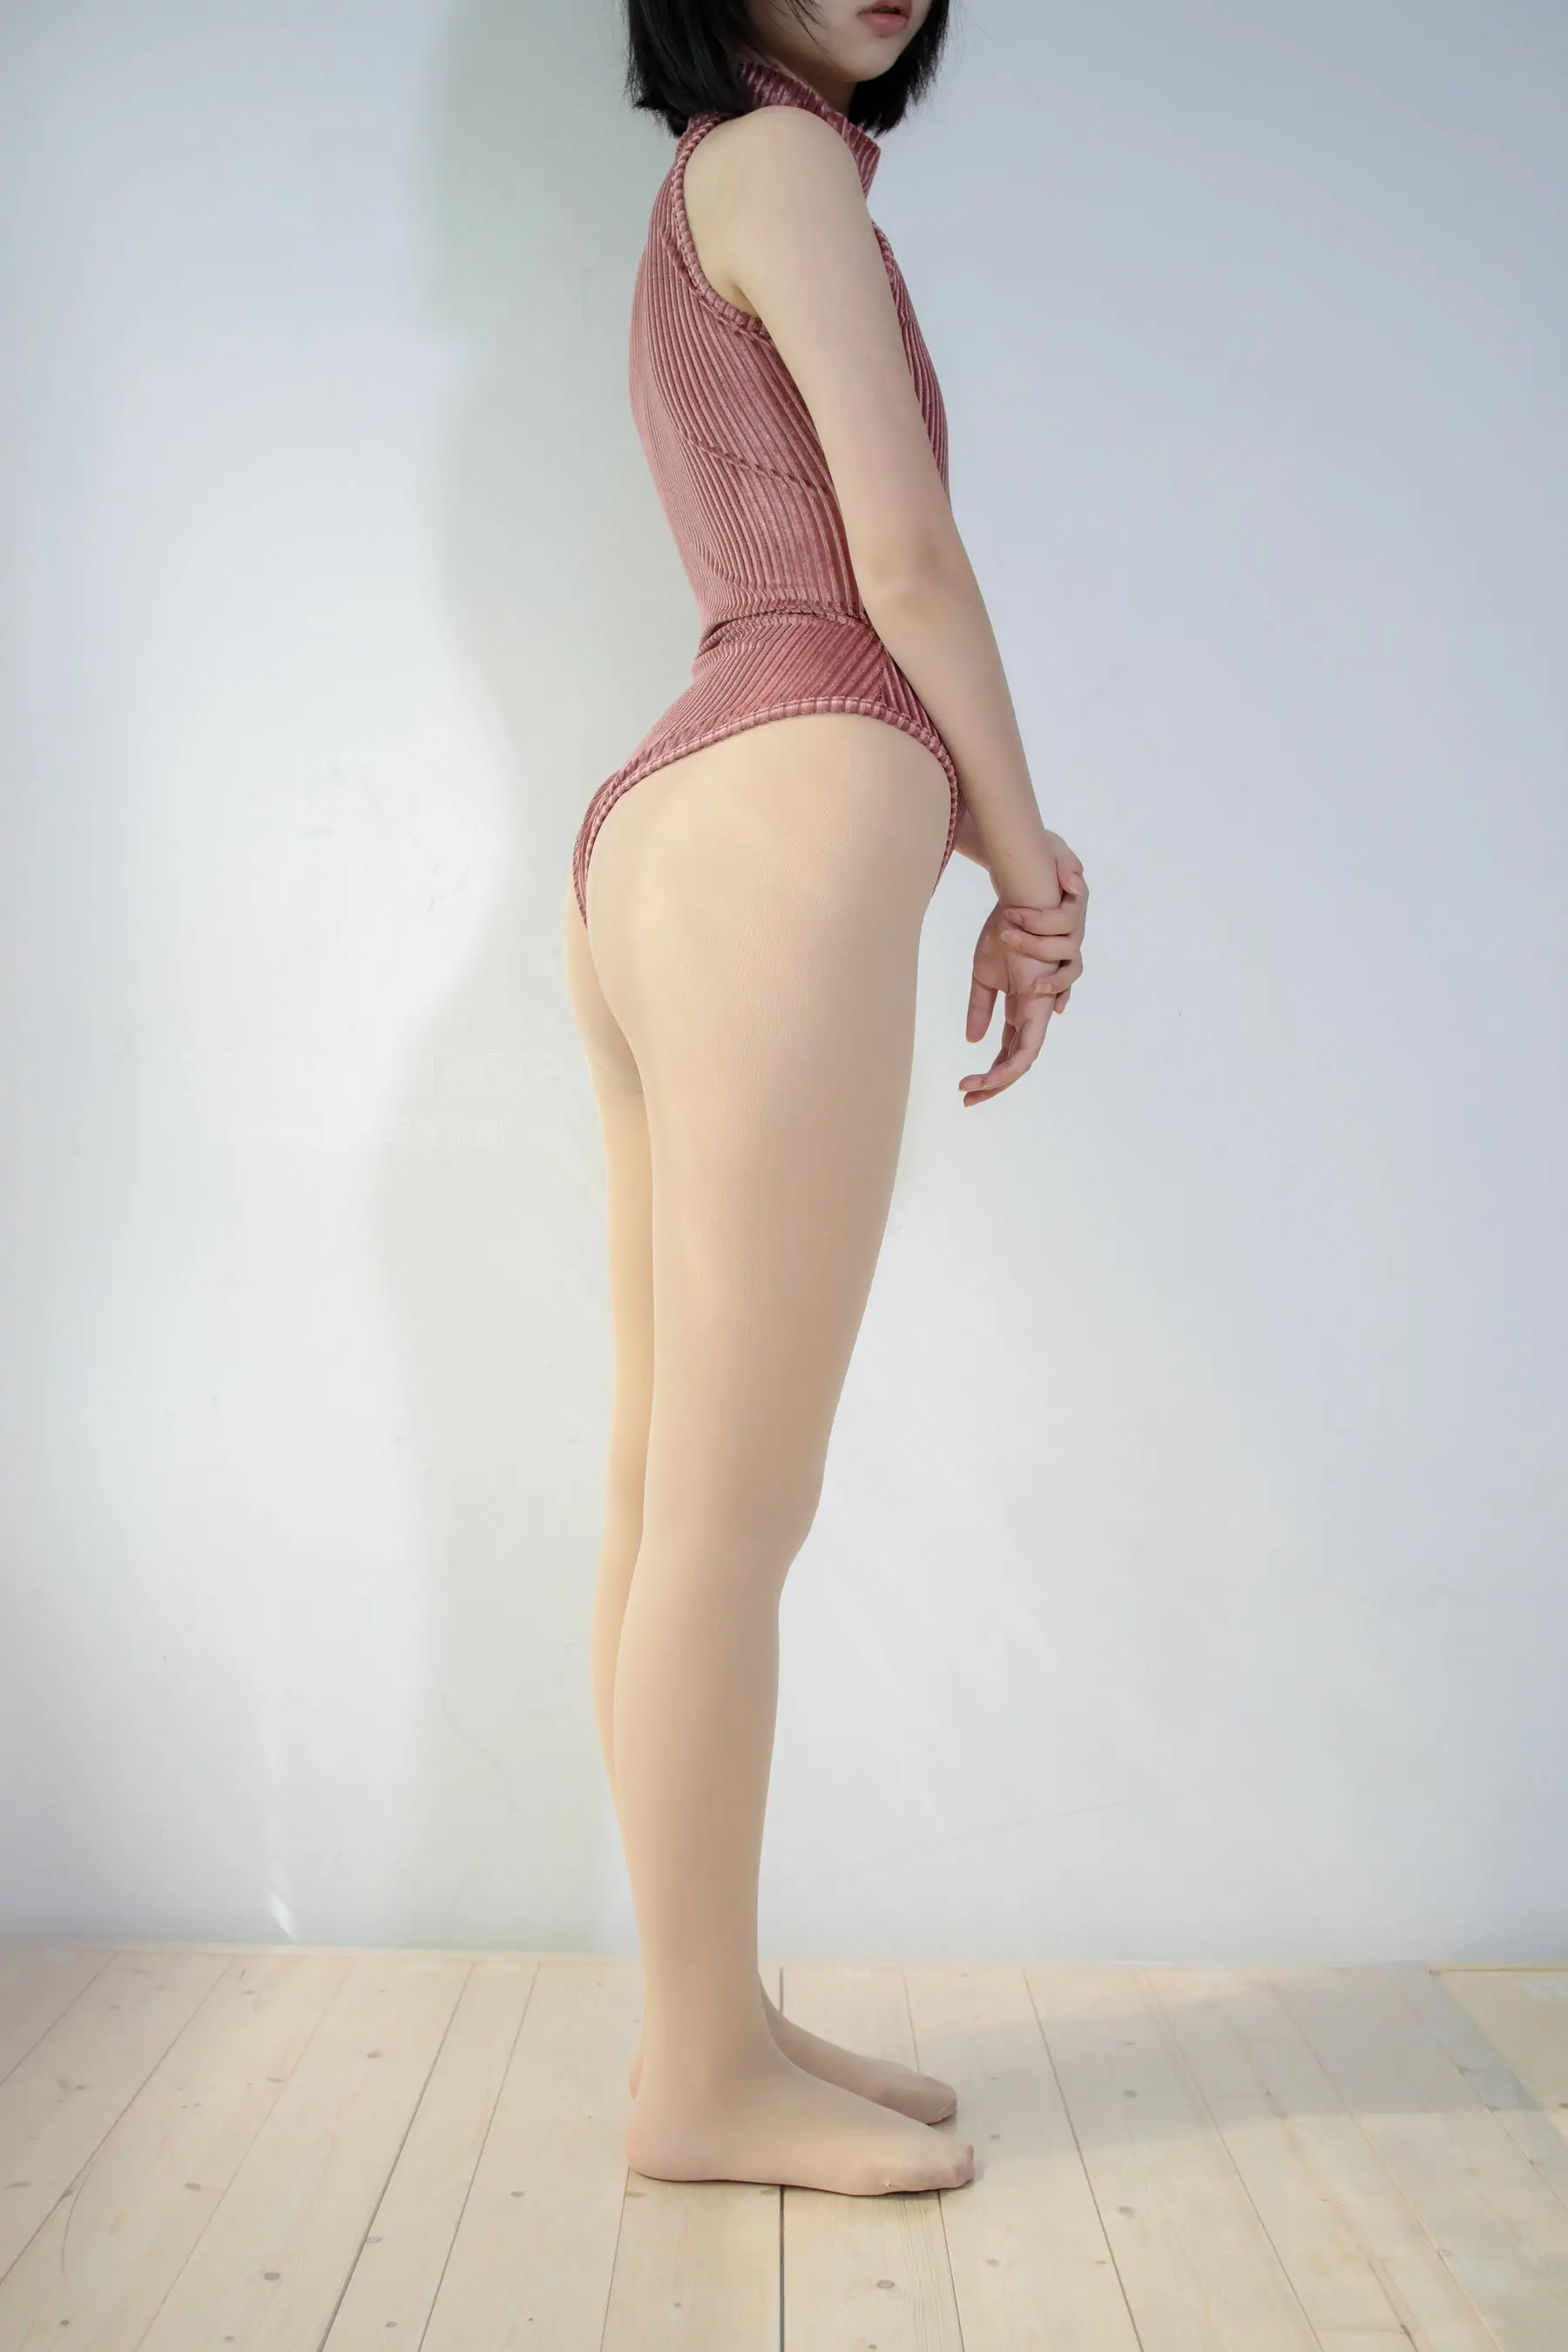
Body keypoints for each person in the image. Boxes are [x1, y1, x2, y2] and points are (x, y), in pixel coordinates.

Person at [562, 0, 1088, 2197]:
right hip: (782, 806)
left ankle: (709, 2018)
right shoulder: (774, 162)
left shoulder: (726, 186)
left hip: (673, 822)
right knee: (730, 1516)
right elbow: (906, 563)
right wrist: (1030, 861)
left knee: (664, 1495)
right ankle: (700, 2081)